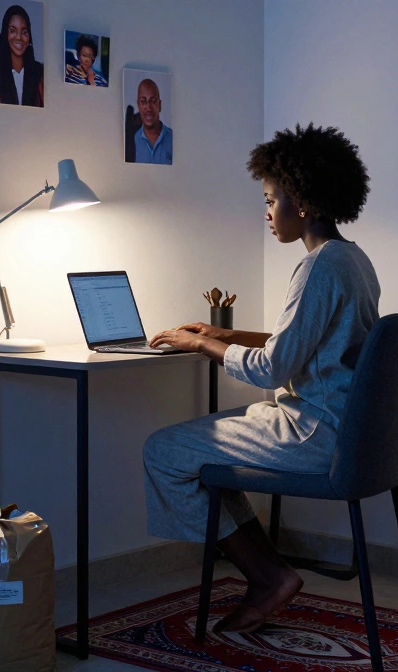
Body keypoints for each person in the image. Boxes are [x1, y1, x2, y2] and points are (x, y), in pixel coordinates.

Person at [145, 124, 376, 632]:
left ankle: (269, 577)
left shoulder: (319, 268)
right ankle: (270, 574)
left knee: (164, 451)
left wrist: (202, 344)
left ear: (303, 200)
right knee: (204, 454)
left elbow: (273, 367)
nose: (267, 212)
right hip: (340, 428)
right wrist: (223, 332)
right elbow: (302, 342)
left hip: (312, 432)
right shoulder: (353, 260)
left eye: (272, 199)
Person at [0, 5, 44, 106]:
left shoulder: (39, 72)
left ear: (29, 37)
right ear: (5, 33)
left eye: (24, 32)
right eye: (12, 31)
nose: (19, 37)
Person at [131, 78, 172, 164]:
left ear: (159, 105)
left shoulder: (173, 138)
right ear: (138, 105)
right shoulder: (132, 140)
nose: (148, 108)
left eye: (153, 101)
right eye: (143, 101)